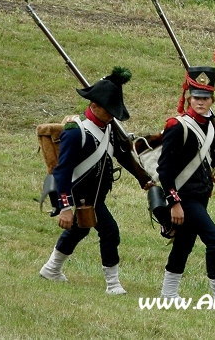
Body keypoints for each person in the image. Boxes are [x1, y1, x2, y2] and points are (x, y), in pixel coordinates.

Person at [40, 67, 151, 294]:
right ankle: (113, 285)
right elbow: (62, 171)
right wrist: (65, 206)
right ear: (94, 106)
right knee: (110, 232)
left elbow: (121, 154)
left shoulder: (108, 128)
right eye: (108, 111)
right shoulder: (75, 131)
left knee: (80, 230)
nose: (112, 115)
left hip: (95, 195)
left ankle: (51, 269)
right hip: (79, 194)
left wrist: (142, 178)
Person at [156, 65, 215, 308]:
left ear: (212, 100)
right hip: (185, 197)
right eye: (196, 97)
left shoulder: (211, 127)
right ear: (189, 98)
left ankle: (168, 293)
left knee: (184, 244)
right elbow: (163, 169)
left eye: (205, 98)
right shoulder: (178, 126)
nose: (201, 102)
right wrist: (174, 202)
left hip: (201, 194)